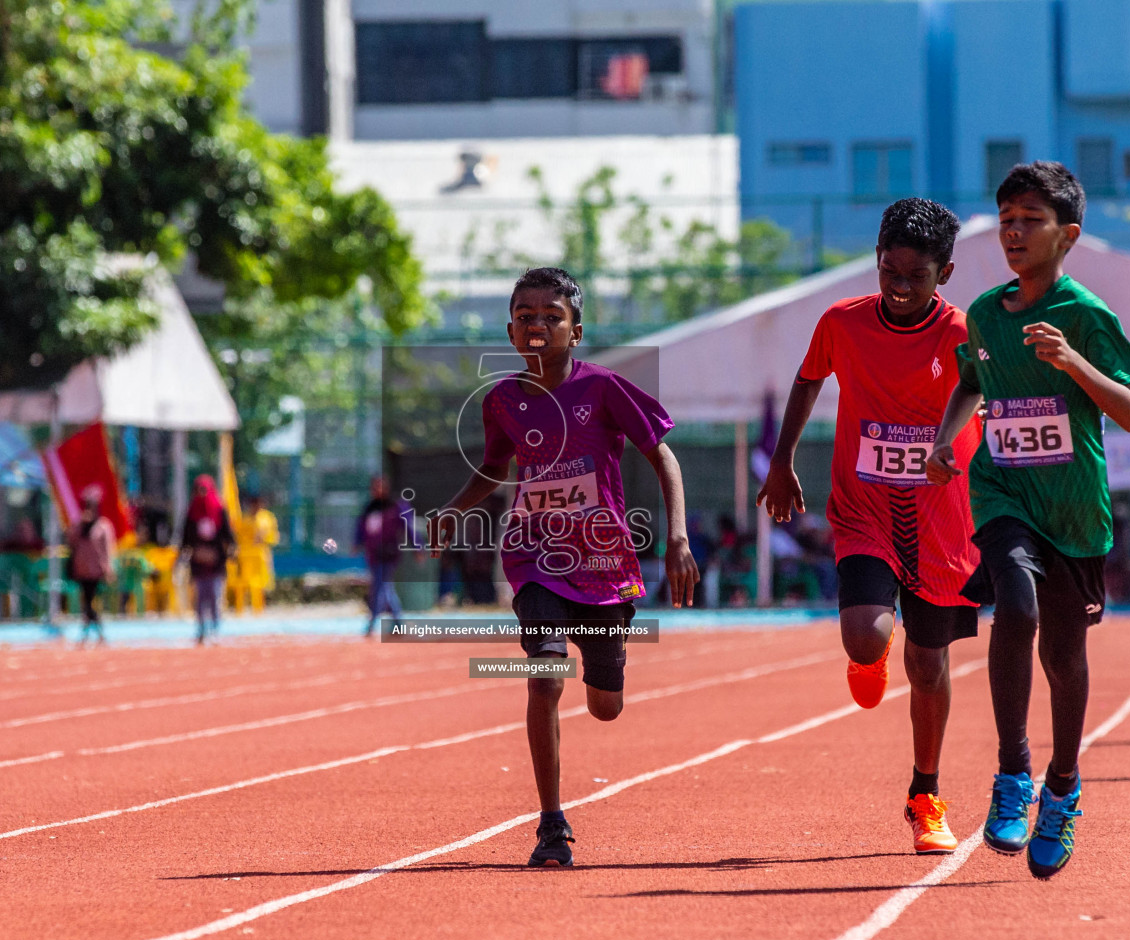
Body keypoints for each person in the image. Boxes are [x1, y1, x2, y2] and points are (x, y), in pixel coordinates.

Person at [432, 266, 698, 868]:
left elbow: (664, 456)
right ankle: (551, 826)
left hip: (604, 565)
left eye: (552, 315)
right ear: (509, 329)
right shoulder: (501, 401)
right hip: (532, 558)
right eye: (526, 315)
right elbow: (496, 468)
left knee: (605, 705)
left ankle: (608, 667)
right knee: (546, 676)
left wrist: (677, 537)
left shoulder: (604, 388)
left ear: (575, 331)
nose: (538, 325)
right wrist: (452, 511)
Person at [926, 161, 1130, 879]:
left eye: (1030, 220)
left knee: (1065, 655)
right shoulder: (985, 313)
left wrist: (1073, 360)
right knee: (1013, 608)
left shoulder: (1085, 314)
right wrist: (943, 439)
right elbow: (968, 384)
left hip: (1075, 511)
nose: (1014, 233)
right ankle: (1012, 775)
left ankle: (1063, 785)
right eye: (1007, 219)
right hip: (1003, 493)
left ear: (1068, 234)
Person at [758, 198, 980, 855]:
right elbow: (806, 381)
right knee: (865, 639)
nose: (900, 287)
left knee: (931, 662)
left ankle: (925, 795)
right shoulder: (842, 322)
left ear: (944, 273)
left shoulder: (961, 331)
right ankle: (869, 653)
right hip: (864, 509)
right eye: (889, 270)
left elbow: (976, 389)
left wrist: (945, 441)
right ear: (876, 260)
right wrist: (781, 463)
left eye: (917, 276)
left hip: (942, 516)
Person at [180, 475, 235, 645]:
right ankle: (201, 629)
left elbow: (228, 534)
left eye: (204, 490)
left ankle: (215, 629)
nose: (201, 494)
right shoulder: (191, 511)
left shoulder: (219, 510)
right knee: (199, 597)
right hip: (198, 563)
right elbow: (185, 537)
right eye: (198, 490)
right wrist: (185, 553)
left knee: (214, 596)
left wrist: (231, 550)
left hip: (216, 563)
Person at [355, 475, 411, 635]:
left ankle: (372, 623)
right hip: (373, 554)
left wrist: (418, 547)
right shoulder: (370, 507)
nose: (377, 490)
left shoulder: (396, 505)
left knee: (379, 587)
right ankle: (399, 624)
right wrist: (356, 543)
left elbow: (409, 527)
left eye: (380, 486)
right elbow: (361, 528)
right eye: (374, 487)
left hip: (389, 553)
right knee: (386, 588)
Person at [68, 486, 116, 645]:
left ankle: (90, 633)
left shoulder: (103, 526)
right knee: (86, 602)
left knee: (89, 602)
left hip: (96, 570)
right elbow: (71, 540)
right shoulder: (80, 525)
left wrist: (108, 568)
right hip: (81, 569)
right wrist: (81, 523)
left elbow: (107, 549)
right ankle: (94, 633)